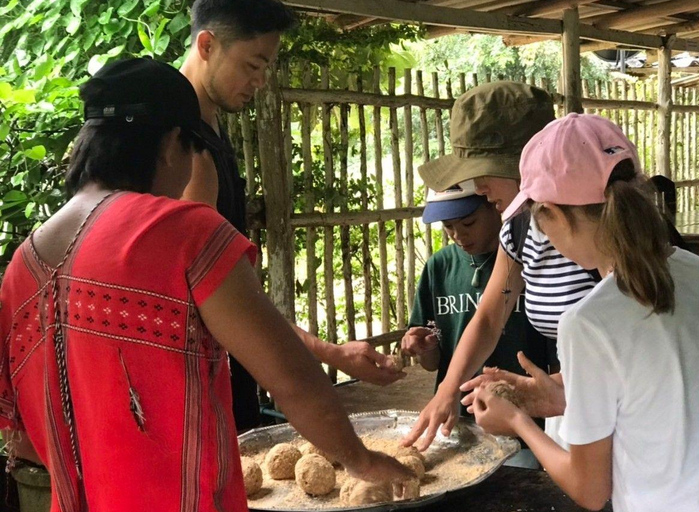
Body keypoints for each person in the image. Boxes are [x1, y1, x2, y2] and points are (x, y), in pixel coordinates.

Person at [0, 58, 412, 512]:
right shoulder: (183, 233)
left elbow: (21, 442)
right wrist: (361, 460)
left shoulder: (23, 266)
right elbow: (291, 378)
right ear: (174, 141)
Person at [462, 113, 699, 511]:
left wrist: (517, 422)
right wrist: (563, 394)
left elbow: (590, 490)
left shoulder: (588, 322)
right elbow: (667, 391)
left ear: (552, 213)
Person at [178, 0, 403, 432]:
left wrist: (333, 352)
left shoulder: (211, 130)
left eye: (267, 67)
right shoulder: (189, 155)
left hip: (229, 374)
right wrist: (329, 355)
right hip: (205, 389)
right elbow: (221, 304)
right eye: (252, 65)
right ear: (207, 45)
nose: (260, 81)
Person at [401, 81, 597, 451]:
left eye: (482, 172)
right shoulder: (519, 230)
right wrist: (446, 390)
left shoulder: (597, 231)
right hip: (574, 412)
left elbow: (633, 356)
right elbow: (489, 319)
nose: (478, 187)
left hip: (615, 416)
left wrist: (538, 399)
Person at [403, 180, 548, 468]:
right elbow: (432, 363)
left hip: (523, 421)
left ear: (495, 206)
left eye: (468, 223)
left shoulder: (528, 260)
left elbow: (490, 321)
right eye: (448, 226)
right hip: (456, 421)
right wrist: (423, 349)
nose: (458, 235)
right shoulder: (439, 267)